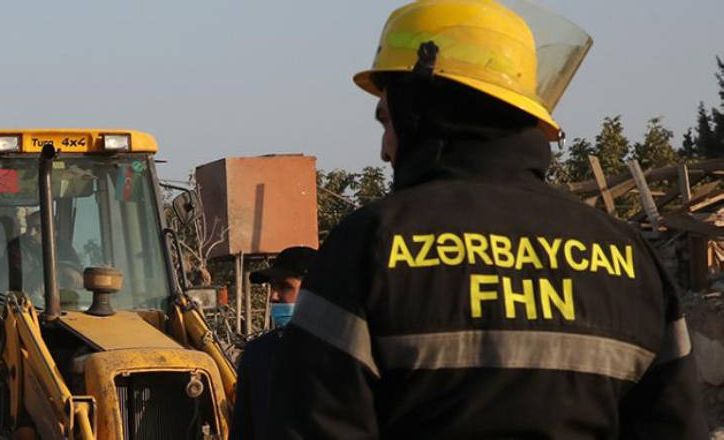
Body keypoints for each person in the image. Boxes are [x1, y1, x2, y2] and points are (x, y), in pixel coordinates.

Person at [271, 1, 707, 438]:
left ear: (419, 108)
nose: (385, 149)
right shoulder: (630, 261)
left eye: (387, 119)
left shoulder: (370, 247)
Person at [231, 246, 317, 440]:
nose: (273, 296)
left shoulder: (342, 353)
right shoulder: (257, 353)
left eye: (285, 287)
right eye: (272, 287)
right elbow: (243, 429)